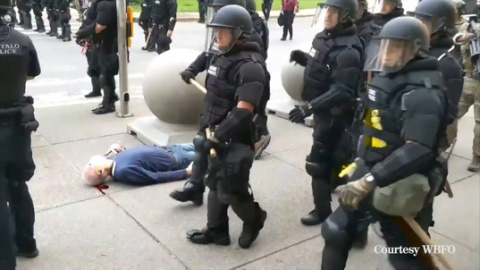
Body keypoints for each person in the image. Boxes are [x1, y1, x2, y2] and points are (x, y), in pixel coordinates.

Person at [321, 16, 448, 269]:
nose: (386, 52)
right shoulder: (386, 77)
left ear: (415, 50)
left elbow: (418, 148)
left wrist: (369, 180)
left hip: (401, 180)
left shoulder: (423, 92)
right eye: (384, 45)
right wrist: (360, 158)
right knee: (336, 231)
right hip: (370, 168)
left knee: (407, 257)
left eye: (395, 46)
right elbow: (371, 121)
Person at [171, 0, 271, 206]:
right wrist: (193, 69)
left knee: (227, 171)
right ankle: (195, 187)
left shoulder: (249, 36)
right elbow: (210, 53)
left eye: (220, 10)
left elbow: (250, 81)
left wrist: (219, 134)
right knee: (201, 144)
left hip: (235, 102)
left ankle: (245, 211)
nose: (217, 33)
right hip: (215, 107)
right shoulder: (224, 33)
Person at [185, 5, 267, 249]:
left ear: (239, 34)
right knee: (213, 183)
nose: (217, 36)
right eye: (216, 30)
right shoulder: (220, 56)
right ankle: (217, 231)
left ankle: (255, 220)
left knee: (231, 191)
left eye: (223, 31)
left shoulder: (251, 66)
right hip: (214, 133)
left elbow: (243, 110)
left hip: (236, 139)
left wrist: (218, 136)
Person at [288, 0, 363, 226]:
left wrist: (308, 108)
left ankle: (324, 212)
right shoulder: (325, 38)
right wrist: (305, 59)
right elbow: (325, 65)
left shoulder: (349, 50)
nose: (327, 15)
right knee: (332, 160)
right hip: (323, 112)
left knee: (319, 163)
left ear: (346, 16)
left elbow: (341, 89)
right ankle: (338, 178)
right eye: (326, 10)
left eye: (334, 11)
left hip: (336, 115)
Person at [0, 0, 41, 268]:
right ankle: (27, 243)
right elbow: (31, 73)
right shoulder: (21, 40)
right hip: (16, 128)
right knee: (17, 186)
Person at [75, 0, 119, 114]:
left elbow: (100, 26)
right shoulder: (97, 3)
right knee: (98, 70)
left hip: (107, 43)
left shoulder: (105, 4)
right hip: (99, 43)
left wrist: (84, 33)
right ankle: (108, 98)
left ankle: (109, 103)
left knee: (105, 74)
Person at [82, 144, 195, 186]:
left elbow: (133, 155)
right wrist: (186, 172)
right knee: (208, 149)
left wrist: (116, 146)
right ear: (100, 171)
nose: (91, 159)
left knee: (204, 141)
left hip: (171, 148)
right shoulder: (124, 171)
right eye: (91, 163)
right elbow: (155, 177)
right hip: (178, 159)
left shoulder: (111, 160)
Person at [452, 1, 480, 172]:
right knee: (452, 113)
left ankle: (477, 156)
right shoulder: (468, 27)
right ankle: (442, 143)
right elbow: (457, 40)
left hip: (473, 79)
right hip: (470, 78)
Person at [245, 0, 271, 159]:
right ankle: (260, 134)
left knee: (253, 108)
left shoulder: (246, 27)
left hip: (253, 68)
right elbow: (265, 45)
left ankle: (258, 139)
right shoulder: (261, 23)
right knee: (259, 107)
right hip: (261, 65)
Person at [76, 0, 102, 98]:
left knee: (96, 67)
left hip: (97, 40)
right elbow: (86, 22)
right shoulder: (91, 6)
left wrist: (86, 33)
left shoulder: (100, 6)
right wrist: (80, 35)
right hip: (89, 39)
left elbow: (98, 24)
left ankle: (104, 94)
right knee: (92, 65)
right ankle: (96, 89)